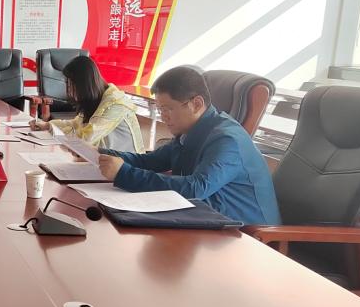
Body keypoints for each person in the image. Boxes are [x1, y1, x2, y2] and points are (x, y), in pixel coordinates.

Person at [98, 66, 281, 225]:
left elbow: (196, 188)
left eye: (168, 109)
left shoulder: (227, 140)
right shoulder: (189, 132)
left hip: (249, 235)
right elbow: (150, 161)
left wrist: (123, 173)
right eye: (160, 109)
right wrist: (100, 154)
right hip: (210, 219)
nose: (163, 116)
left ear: (196, 104)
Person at [29, 55, 144, 153]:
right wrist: (48, 125)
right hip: (104, 161)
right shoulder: (97, 99)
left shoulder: (115, 105)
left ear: (84, 85)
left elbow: (85, 139)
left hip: (126, 167)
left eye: (72, 86)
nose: (69, 92)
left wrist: (53, 131)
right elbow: (75, 124)